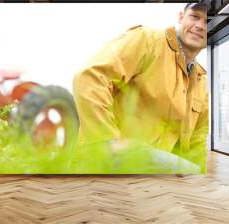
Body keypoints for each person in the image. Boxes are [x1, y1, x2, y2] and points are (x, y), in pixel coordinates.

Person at [72, 3, 209, 173]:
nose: (200, 25)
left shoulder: (200, 80)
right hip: (117, 162)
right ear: (181, 17)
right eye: (195, 16)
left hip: (153, 179)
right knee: (191, 171)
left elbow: (198, 138)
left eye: (207, 21)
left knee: (194, 173)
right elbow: (90, 78)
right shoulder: (147, 40)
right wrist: (107, 142)